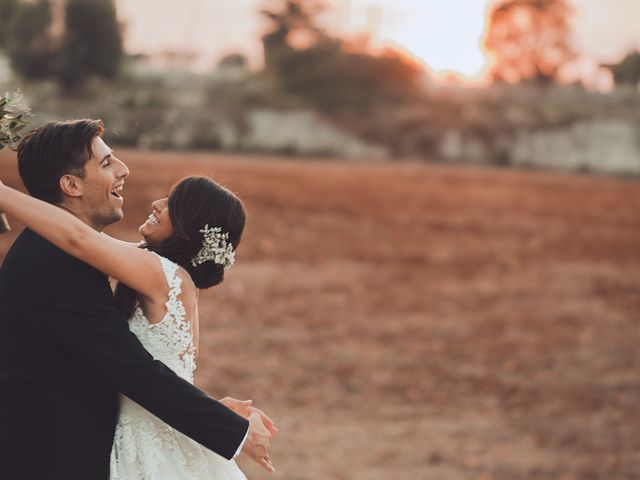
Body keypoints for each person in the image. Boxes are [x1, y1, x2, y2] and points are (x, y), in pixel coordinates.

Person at [0, 119, 276, 479]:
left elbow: (133, 367)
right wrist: (225, 424)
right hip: (51, 456)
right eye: (105, 162)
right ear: (70, 184)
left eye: (172, 203)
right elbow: (134, 368)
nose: (124, 170)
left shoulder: (145, 269)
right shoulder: (56, 259)